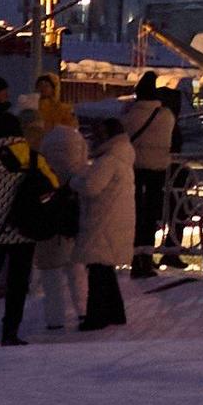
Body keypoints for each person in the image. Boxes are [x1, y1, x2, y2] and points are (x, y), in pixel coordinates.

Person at [0, 92, 67, 347]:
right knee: (17, 284)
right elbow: (54, 186)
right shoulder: (35, 159)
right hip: (23, 229)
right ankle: (10, 332)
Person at [67, 81, 139, 330]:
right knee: (104, 271)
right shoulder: (122, 157)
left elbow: (91, 187)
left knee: (98, 271)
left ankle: (97, 317)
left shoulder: (108, 160)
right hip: (115, 219)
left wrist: (74, 180)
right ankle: (115, 313)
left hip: (102, 219)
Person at [123, 76, 181, 267]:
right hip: (158, 169)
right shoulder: (166, 115)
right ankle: (147, 255)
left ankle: (134, 254)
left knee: (135, 212)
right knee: (151, 213)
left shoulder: (131, 114)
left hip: (135, 168)